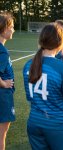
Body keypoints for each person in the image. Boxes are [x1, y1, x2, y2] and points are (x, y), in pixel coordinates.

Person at [23, 23, 63, 150]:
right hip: (57, 124)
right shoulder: (61, 67)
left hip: (34, 122)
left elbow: (31, 98)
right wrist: (61, 114)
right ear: (60, 43)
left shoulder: (27, 65)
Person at [0, 12, 15, 150]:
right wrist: (4, 83)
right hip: (3, 96)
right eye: (11, 27)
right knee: (1, 134)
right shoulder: (2, 51)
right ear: (4, 29)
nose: (13, 30)